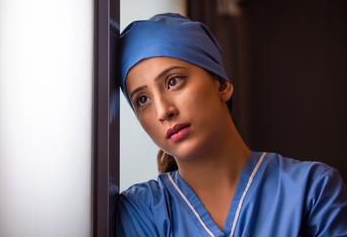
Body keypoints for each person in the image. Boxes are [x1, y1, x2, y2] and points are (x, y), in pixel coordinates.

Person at [117, 13, 347, 237]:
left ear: (222, 84)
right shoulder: (139, 212)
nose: (163, 111)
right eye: (142, 100)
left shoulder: (313, 190)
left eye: (173, 81)